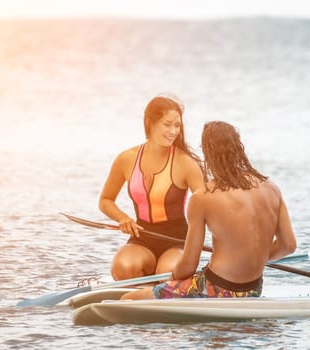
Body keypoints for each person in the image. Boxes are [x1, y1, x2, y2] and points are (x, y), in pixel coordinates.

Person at [122, 121, 297, 299]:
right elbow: (289, 245)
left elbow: (189, 266)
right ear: (238, 148)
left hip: (215, 287)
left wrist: (171, 281)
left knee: (127, 299)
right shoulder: (272, 188)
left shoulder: (203, 197)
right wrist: (252, 258)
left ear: (208, 153)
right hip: (253, 289)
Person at [99, 94, 205, 281]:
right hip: (142, 237)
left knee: (168, 272)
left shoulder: (185, 163)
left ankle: (160, 288)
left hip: (178, 240)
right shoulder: (127, 159)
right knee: (123, 267)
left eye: (177, 125)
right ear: (150, 123)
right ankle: (145, 293)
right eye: (167, 124)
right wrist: (122, 218)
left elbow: (208, 206)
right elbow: (105, 200)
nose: (173, 131)